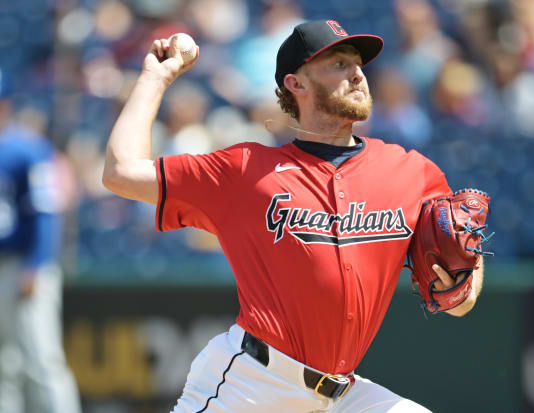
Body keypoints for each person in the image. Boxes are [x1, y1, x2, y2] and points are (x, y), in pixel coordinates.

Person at [102, 19, 485, 413]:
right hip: (252, 385)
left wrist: (464, 283)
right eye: (338, 63)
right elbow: (121, 172)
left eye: (358, 63)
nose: (357, 73)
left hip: (343, 395)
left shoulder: (410, 172)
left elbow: (462, 278)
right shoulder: (246, 171)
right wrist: (154, 78)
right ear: (295, 84)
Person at [0, 95, 82, 412]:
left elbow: (47, 212)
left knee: (41, 359)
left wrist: (37, 264)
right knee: (4, 364)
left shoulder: (27, 147)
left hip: (22, 263)